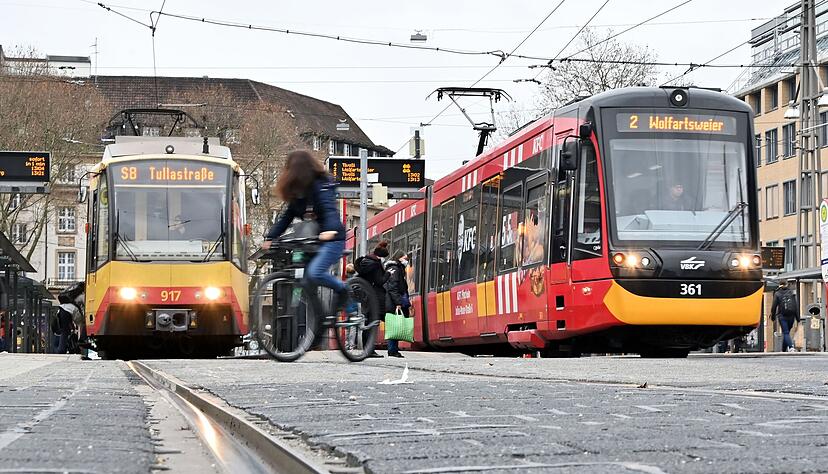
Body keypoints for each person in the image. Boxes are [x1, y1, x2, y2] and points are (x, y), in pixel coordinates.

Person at [263, 150, 349, 309]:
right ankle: (319, 322)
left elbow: (328, 209)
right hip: (313, 241)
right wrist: (270, 237)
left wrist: (330, 231)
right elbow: (286, 217)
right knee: (306, 281)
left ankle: (342, 289)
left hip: (333, 239)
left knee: (315, 273)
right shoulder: (298, 195)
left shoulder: (320, 186)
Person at [354, 241, 390, 358]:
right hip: (374, 296)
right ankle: (369, 349)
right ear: (381, 256)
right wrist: (387, 274)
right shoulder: (375, 264)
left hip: (367, 295)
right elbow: (379, 281)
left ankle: (367, 348)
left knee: (369, 320)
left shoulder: (367, 262)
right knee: (373, 322)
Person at [384, 250, 411, 358]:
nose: (406, 261)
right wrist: (398, 303)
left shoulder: (396, 268)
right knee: (394, 325)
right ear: (399, 258)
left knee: (395, 325)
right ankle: (392, 350)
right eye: (405, 258)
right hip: (393, 302)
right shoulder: (395, 269)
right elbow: (393, 287)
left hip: (394, 301)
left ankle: (393, 349)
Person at [771, 278, 800, 352]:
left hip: (782, 316)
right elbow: (796, 305)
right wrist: (798, 318)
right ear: (787, 284)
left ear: (779, 285)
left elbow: (774, 306)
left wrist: (773, 316)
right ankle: (784, 350)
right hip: (791, 316)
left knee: (785, 332)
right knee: (786, 332)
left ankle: (790, 347)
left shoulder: (777, 293)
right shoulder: (791, 292)